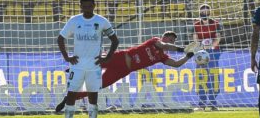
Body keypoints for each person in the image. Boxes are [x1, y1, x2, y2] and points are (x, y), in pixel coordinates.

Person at [55, 31, 196, 112]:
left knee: (97, 86)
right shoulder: (156, 41)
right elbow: (164, 45)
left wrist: (188, 56)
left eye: (172, 40)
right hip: (121, 57)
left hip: (124, 70)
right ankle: (77, 67)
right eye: (170, 39)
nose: (169, 41)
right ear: (164, 37)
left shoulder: (163, 57)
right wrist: (181, 49)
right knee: (96, 61)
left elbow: (176, 64)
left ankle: (69, 99)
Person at [58, 0, 119, 118]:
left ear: (94, 6)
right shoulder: (74, 20)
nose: (87, 9)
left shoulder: (101, 21)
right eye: (84, 7)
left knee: (93, 98)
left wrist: (107, 58)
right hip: (77, 66)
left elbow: (115, 40)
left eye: (89, 6)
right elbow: (60, 38)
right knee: (71, 96)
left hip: (94, 66)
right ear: (80, 6)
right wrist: (67, 57)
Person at [193, 4, 221, 111]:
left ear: (210, 12)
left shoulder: (216, 24)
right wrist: (201, 47)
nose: (205, 13)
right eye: (203, 11)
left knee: (213, 78)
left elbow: (218, 38)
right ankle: (202, 104)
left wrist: (210, 47)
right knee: (201, 78)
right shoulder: (196, 25)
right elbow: (195, 39)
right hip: (200, 54)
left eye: (207, 11)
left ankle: (213, 104)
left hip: (213, 54)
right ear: (199, 12)